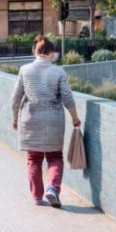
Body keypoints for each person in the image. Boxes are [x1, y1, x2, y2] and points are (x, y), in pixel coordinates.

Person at [11, 35, 81, 208]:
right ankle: (53, 188)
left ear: (35, 51)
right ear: (52, 53)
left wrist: (14, 118)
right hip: (53, 121)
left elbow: (15, 98)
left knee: (33, 159)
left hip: (30, 120)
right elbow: (67, 98)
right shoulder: (58, 71)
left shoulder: (24, 70)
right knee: (55, 157)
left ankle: (37, 196)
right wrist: (75, 118)